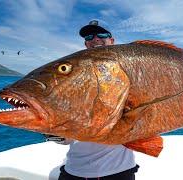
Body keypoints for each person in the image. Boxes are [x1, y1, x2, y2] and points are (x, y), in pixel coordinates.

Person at [55, 20, 138, 180]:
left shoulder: (131, 71)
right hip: (75, 171)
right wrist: (53, 132)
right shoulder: (72, 80)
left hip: (119, 172)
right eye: (89, 36)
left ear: (112, 40)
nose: (95, 39)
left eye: (102, 34)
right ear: (86, 43)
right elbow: (68, 137)